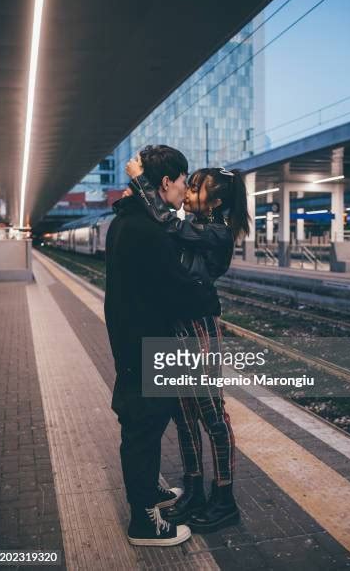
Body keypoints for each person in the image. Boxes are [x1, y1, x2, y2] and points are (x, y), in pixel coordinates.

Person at [126, 148, 250, 533]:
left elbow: (166, 221)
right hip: (177, 325)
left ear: (215, 200)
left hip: (199, 328)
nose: (188, 192)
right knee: (182, 414)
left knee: (212, 414)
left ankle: (224, 497)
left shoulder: (215, 230)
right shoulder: (197, 222)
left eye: (195, 188)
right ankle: (195, 489)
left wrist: (141, 181)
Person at [105, 145, 221, 546]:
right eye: (183, 181)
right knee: (144, 428)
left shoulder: (125, 221)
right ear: (166, 182)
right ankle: (145, 524)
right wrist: (208, 297)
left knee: (141, 422)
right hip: (146, 342)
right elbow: (176, 289)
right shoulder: (149, 229)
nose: (186, 189)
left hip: (131, 337)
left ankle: (150, 495)